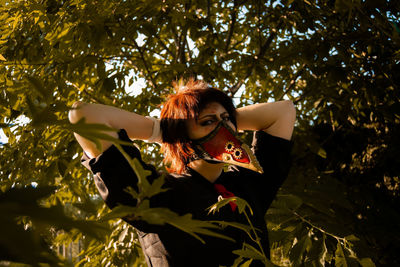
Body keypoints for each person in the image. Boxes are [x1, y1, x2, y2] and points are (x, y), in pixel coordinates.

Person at [68, 79, 296, 267]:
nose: (223, 129)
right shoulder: (159, 192)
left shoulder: (248, 185)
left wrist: (222, 117)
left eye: (227, 120)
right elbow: (83, 115)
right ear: (182, 135)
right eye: (208, 122)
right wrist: (163, 129)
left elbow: (283, 111)